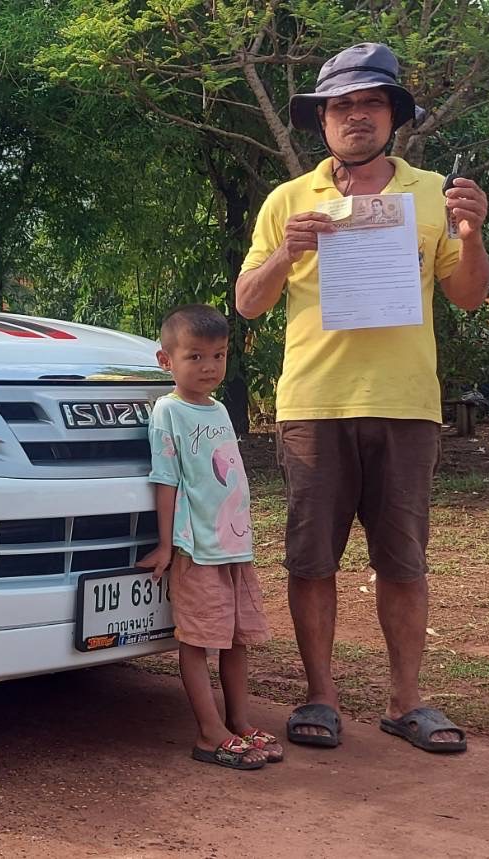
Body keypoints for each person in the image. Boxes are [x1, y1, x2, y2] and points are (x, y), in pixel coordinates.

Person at [234, 43, 489, 754]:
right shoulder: (289, 200)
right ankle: (320, 696)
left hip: (406, 404)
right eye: (341, 105)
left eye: (371, 102)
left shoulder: (435, 194)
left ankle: (406, 700)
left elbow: (468, 295)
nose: (356, 116)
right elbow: (248, 303)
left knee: (403, 561)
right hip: (314, 405)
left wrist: (472, 235)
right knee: (311, 559)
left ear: (393, 116)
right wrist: (286, 252)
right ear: (322, 121)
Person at [136, 304, 281, 771]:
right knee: (198, 641)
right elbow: (166, 479)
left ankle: (239, 721)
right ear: (166, 360)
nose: (209, 367)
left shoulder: (218, 408)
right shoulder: (168, 411)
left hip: (234, 548)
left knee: (236, 639)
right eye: (195, 356)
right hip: (197, 549)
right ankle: (208, 731)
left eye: (218, 355)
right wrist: (166, 545)